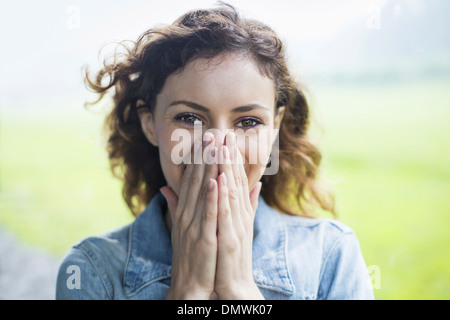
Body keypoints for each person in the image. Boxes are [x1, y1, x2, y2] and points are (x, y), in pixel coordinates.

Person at [56, 3, 374, 300]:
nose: (218, 149)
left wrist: (239, 290)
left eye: (248, 122)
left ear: (274, 127)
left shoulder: (332, 255)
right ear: (150, 124)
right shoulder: (91, 271)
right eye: (190, 118)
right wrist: (189, 292)